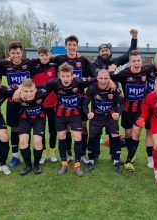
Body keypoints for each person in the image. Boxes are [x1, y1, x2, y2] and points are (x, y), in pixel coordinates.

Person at [88, 29, 138, 160]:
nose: (104, 52)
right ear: (99, 53)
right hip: (98, 100)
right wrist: (109, 77)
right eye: (102, 50)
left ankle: (114, 155)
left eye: (106, 50)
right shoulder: (94, 64)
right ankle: (95, 154)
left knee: (113, 128)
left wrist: (134, 39)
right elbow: (97, 75)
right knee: (96, 130)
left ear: (110, 52)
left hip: (113, 100)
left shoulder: (115, 61)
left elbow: (129, 54)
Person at [43, 63, 97, 177]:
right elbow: (39, 87)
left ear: (72, 76)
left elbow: (95, 80)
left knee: (78, 137)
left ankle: (77, 165)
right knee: (61, 136)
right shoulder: (54, 83)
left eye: (68, 76)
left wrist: (110, 80)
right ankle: (64, 163)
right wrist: (20, 88)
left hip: (75, 114)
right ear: (59, 75)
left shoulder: (78, 82)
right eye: (63, 76)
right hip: (60, 115)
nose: (66, 79)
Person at [52, 35, 91, 163]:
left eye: (74, 45)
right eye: (69, 45)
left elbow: (94, 72)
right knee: (66, 128)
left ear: (77, 47)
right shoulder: (59, 59)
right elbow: (45, 59)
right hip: (64, 101)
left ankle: (82, 154)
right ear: (66, 46)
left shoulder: (83, 60)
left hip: (80, 101)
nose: (72, 47)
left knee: (83, 127)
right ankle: (68, 153)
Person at [111, 50, 150, 171]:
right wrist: (112, 75)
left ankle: (129, 159)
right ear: (130, 62)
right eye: (134, 61)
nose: (136, 63)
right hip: (127, 110)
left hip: (140, 109)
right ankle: (130, 151)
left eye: (138, 60)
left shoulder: (146, 71)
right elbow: (110, 76)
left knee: (136, 132)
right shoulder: (124, 73)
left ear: (141, 61)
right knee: (128, 133)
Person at [82, 69, 124, 173]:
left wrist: (118, 113)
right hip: (96, 118)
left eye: (106, 78)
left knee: (115, 136)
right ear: (97, 78)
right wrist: (88, 113)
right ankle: (91, 159)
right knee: (92, 137)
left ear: (109, 79)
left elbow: (121, 103)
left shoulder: (114, 87)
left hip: (110, 117)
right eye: (101, 78)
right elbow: (84, 104)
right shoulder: (92, 88)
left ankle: (116, 160)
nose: (103, 81)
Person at [15, 79, 49, 175]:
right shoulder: (17, 94)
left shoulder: (42, 92)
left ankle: (37, 164)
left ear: (35, 90)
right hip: (24, 119)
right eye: (26, 91)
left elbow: (54, 83)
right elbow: (4, 88)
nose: (28, 94)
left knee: (37, 141)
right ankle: (28, 165)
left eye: (31, 91)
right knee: (22, 141)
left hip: (39, 119)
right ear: (22, 90)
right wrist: (18, 90)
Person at [30, 46, 58, 164]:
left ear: (49, 54)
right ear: (39, 55)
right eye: (42, 55)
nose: (45, 57)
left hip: (53, 104)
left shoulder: (54, 66)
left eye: (46, 54)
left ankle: (52, 153)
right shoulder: (33, 66)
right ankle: (42, 153)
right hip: (39, 104)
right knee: (40, 130)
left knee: (53, 130)